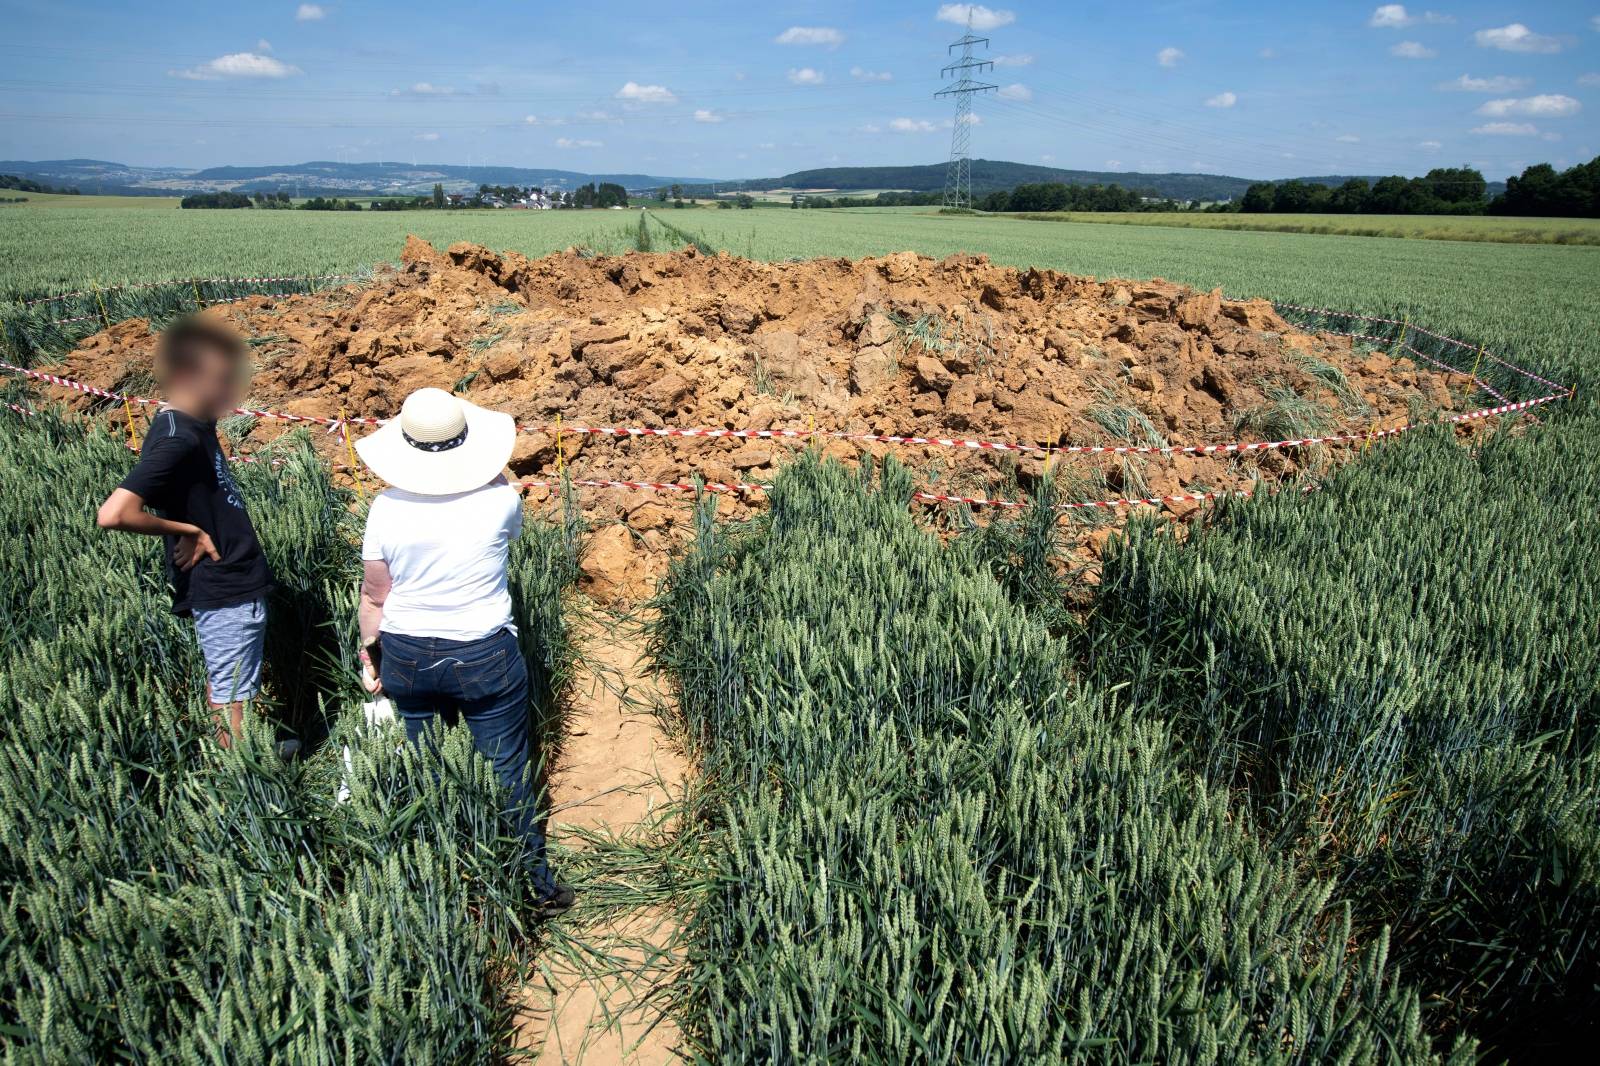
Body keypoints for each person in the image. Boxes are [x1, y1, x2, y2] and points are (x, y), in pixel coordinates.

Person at [354, 387, 573, 917]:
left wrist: (370, 657)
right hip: (483, 653)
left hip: (405, 653)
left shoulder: (384, 508)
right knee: (507, 770)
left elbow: (373, 595)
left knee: (425, 766)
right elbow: (506, 520)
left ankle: (442, 880)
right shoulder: (501, 500)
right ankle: (533, 886)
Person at [97, 316, 272, 748]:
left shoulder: (191, 423)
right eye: (220, 380)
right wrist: (187, 529)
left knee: (236, 688)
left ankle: (249, 762)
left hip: (231, 577)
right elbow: (114, 513)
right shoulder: (179, 438)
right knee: (231, 695)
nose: (230, 391)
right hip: (222, 583)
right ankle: (240, 784)